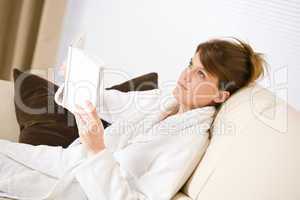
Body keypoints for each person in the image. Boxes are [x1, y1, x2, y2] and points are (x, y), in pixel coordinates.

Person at [0, 38, 265, 200]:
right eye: (190, 65)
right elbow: (110, 102)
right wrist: (78, 79)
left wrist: (97, 149)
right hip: (64, 163)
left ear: (220, 95)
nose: (185, 76)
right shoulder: (165, 100)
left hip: (80, 191)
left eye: (201, 75)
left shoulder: (191, 142)